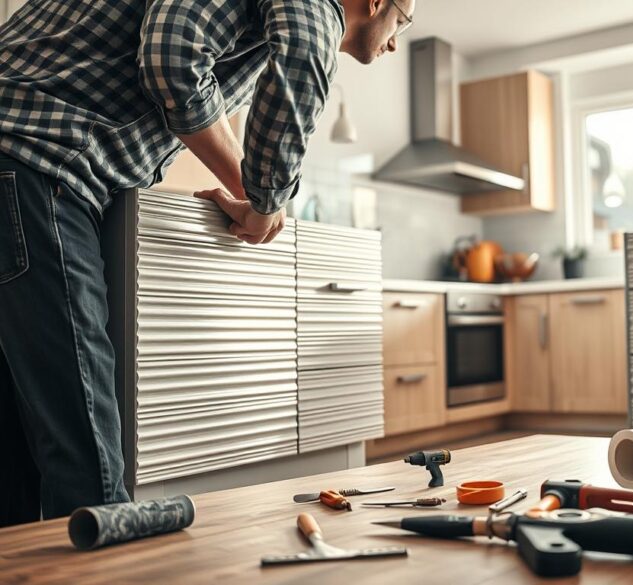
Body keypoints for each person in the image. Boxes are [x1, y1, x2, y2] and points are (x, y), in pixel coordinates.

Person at [0, 0, 416, 526]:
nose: (396, 40)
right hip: (38, 158)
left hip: (21, 155)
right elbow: (174, 60)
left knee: (18, 425)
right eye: (402, 22)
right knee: (83, 443)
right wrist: (264, 198)